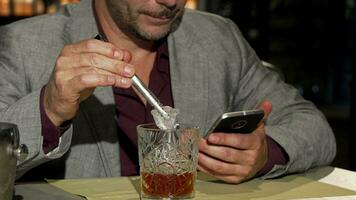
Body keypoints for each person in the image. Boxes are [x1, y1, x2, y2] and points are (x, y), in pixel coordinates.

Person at [0, 0, 336, 184]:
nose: (170, 2)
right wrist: (51, 108)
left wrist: (263, 155)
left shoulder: (218, 39)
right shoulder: (24, 44)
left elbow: (313, 127)